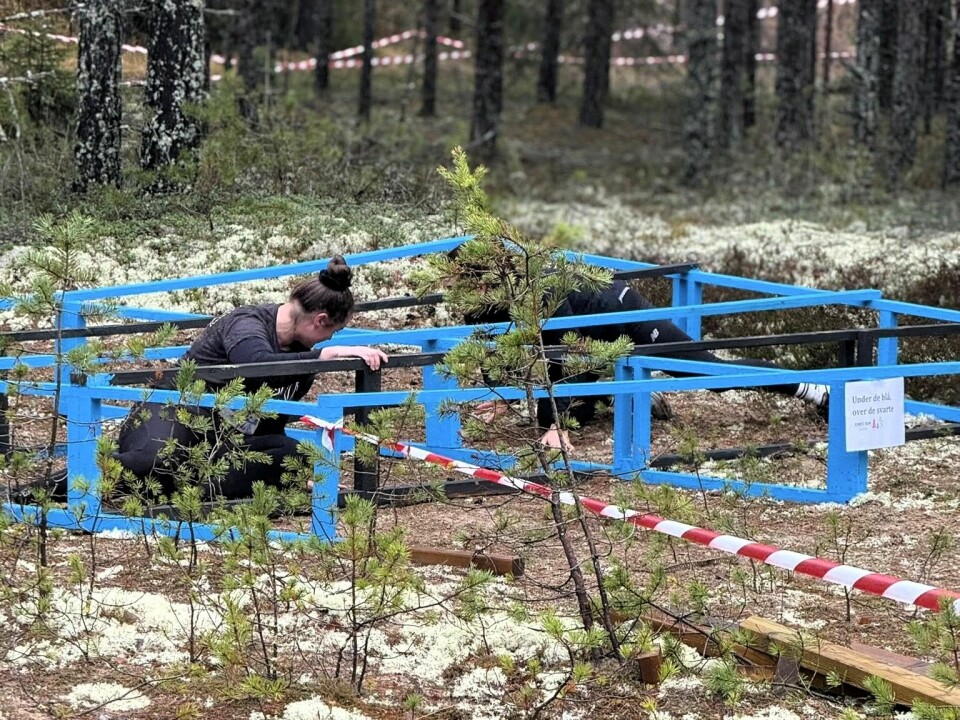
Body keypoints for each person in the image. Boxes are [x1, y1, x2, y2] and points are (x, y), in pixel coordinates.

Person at [115, 255, 388, 500]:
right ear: (320, 320)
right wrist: (323, 356)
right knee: (158, 462)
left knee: (303, 457)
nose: (329, 338)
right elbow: (255, 365)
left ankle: (201, 486)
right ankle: (82, 476)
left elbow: (270, 430)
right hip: (174, 410)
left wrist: (290, 471)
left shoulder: (301, 360)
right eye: (333, 332)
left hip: (223, 438)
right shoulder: (246, 323)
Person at [463, 278, 829, 451]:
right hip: (595, 341)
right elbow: (491, 345)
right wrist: (500, 394)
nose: (468, 291)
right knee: (569, 409)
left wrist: (558, 426)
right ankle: (621, 392)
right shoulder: (479, 303)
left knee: (712, 375)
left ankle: (814, 389)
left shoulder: (537, 291)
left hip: (627, 318)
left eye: (473, 282)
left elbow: (566, 353)